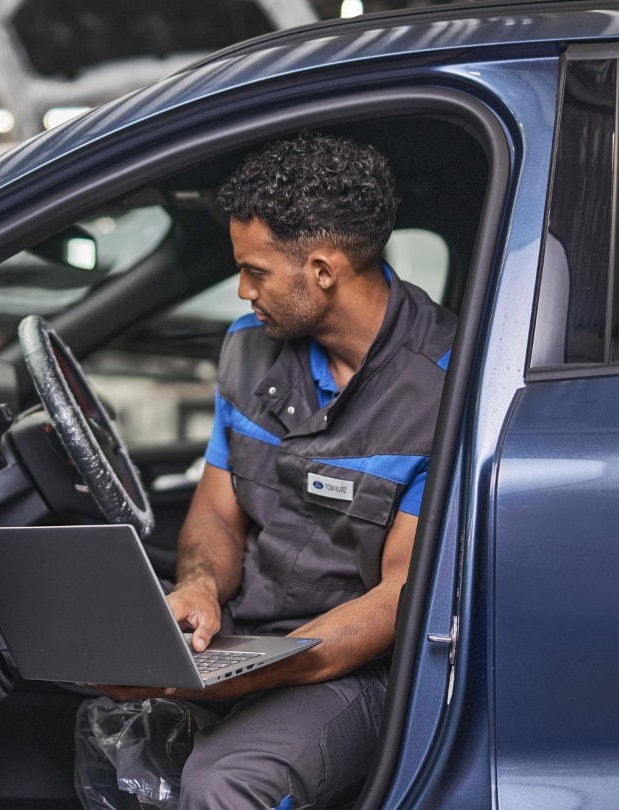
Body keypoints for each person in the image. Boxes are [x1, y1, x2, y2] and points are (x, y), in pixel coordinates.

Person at [87, 132, 456, 808]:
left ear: (321, 269)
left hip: (359, 670)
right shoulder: (247, 350)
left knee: (226, 780)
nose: (240, 289)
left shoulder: (446, 391)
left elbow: (403, 599)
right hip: (248, 638)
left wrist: (242, 677)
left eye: (254, 270)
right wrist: (199, 588)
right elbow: (217, 511)